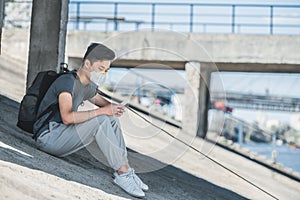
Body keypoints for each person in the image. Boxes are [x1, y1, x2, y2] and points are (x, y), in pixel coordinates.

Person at [33, 43, 148, 198]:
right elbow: (67, 117)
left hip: (62, 134)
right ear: (87, 64)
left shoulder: (86, 86)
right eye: (101, 69)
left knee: (110, 116)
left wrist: (115, 107)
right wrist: (103, 111)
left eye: (106, 70)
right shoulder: (67, 82)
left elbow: (104, 105)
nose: (103, 74)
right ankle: (122, 172)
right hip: (49, 137)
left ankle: (125, 168)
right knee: (100, 119)